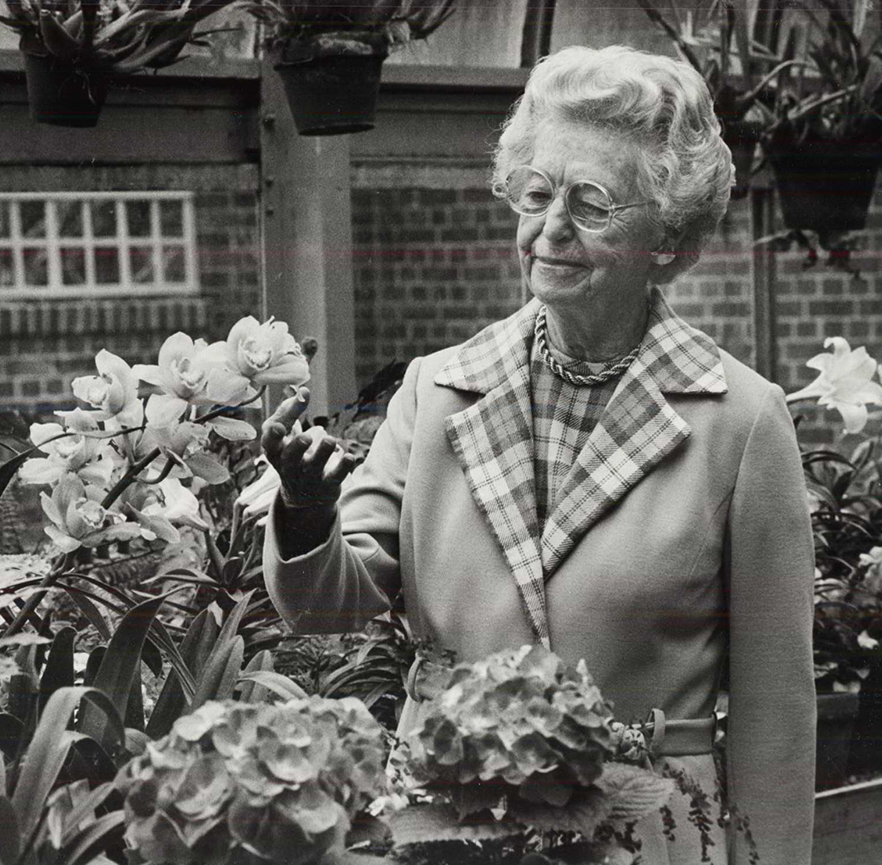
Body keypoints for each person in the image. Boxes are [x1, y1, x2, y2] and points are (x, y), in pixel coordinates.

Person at [260, 44, 815, 865]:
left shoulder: (741, 421)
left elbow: (776, 714)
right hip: (450, 825)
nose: (551, 229)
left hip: (645, 834)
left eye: (591, 203)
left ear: (666, 236)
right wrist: (306, 518)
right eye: (536, 194)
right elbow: (329, 609)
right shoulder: (439, 389)